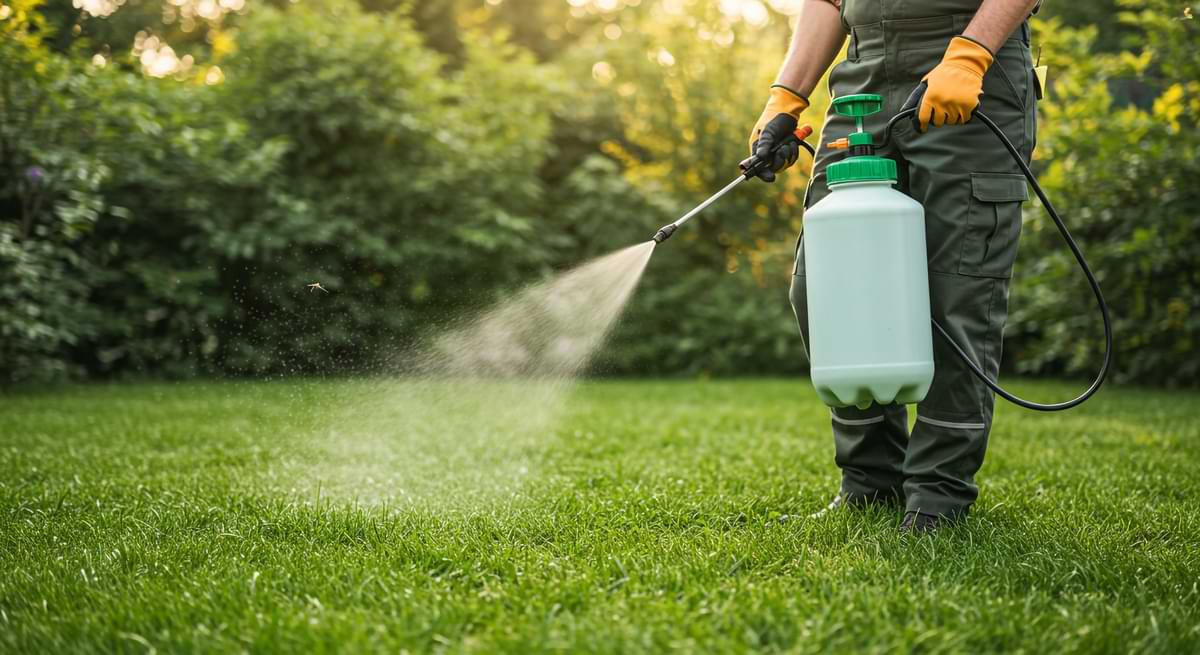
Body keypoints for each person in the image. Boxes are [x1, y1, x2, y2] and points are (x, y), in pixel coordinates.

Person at [749, 0, 1041, 533]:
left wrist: (973, 53)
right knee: (821, 287)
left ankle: (938, 495)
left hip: (968, 59)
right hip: (864, 69)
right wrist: (786, 96)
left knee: (957, 291)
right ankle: (871, 481)